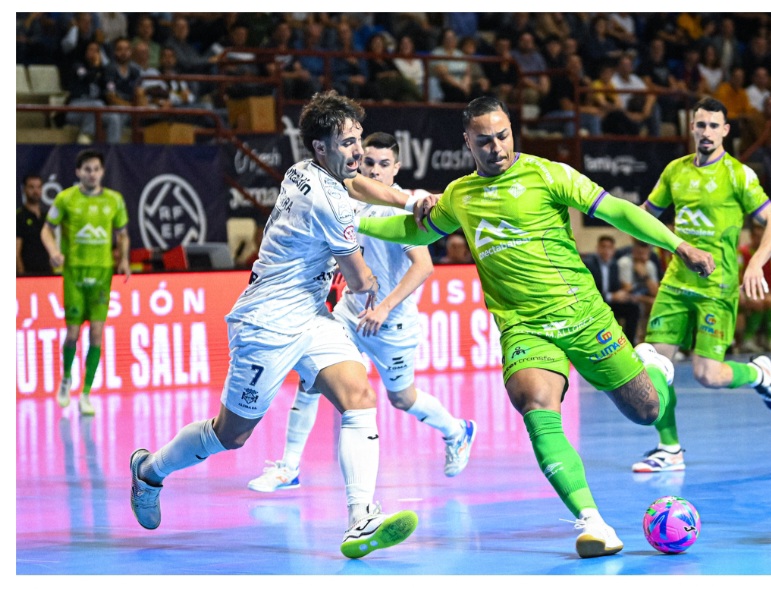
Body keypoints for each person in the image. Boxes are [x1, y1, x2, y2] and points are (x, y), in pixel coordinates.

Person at [356, 96, 716, 558]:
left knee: (647, 411)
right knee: (535, 404)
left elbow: (617, 211)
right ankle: (593, 522)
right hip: (524, 328)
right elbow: (414, 232)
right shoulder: (461, 196)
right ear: (467, 142)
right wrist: (354, 223)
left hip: (584, 316)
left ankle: (653, 367)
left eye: (502, 135)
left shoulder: (548, 174)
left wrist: (677, 244)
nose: (496, 147)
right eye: (484, 140)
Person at [128, 91, 426, 560]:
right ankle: (150, 470)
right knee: (231, 434)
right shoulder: (329, 204)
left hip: (311, 314)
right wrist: (389, 261)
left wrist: (412, 199)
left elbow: (362, 186)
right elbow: (359, 281)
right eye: (347, 143)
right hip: (266, 323)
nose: (356, 152)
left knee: (358, 396)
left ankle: (360, 519)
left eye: (358, 140)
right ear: (321, 147)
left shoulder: (302, 170)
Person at [247, 131, 476, 493]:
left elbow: (424, 267)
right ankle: (288, 467)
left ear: (396, 168)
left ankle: (457, 430)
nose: (374, 170)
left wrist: (383, 309)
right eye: (368, 162)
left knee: (401, 398)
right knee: (310, 379)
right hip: (350, 314)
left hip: (391, 324)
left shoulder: (400, 207)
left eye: (384, 164)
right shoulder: (348, 199)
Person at [631, 96, 771, 475]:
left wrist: (756, 263)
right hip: (675, 284)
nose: (706, 132)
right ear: (692, 128)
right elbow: (646, 215)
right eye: (700, 124)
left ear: (725, 131)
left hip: (717, 289)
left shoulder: (738, 175)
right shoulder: (675, 172)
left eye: (714, 125)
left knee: (708, 375)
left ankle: (759, 375)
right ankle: (670, 449)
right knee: (655, 366)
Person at [40, 149, 131, 416]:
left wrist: (124, 259)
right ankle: (66, 378)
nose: (92, 174)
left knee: (97, 333)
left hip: (102, 274)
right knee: (73, 333)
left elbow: (123, 234)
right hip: (74, 274)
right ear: (78, 172)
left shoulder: (114, 200)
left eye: (96, 169)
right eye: (87, 169)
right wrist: (53, 252)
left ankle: (86, 394)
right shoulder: (65, 199)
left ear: (102, 172)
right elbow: (46, 229)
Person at [583, 234, 640, 346]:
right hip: (594, 304)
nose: (606, 251)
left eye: (609, 247)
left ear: (613, 250)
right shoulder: (589, 264)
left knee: (633, 308)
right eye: (603, 247)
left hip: (610, 303)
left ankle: (629, 344)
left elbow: (615, 288)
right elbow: (588, 291)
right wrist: (611, 296)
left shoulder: (614, 265)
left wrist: (623, 295)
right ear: (597, 248)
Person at [737, 222, 771, 353]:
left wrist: (768, 292)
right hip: (744, 290)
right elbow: (738, 275)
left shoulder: (769, 254)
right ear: (751, 236)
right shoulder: (742, 253)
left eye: (763, 236)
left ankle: (769, 339)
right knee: (757, 303)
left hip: (761, 291)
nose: (760, 239)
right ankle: (747, 340)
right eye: (757, 236)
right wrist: (745, 294)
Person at [616, 239, 660, 343]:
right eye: (640, 253)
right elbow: (626, 289)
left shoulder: (650, 265)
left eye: (645, 254)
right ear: (634, 252)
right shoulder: (625, 263)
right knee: (638, 305)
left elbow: (655, 292)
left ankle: (653, 339)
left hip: (641, 297)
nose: (643, 257)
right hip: (625, 297)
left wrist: (645, 276)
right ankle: (634, 341)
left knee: (657, 303)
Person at [16, 174, 53, 276]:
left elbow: (51, 247)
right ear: (24, 189)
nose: (35, 191)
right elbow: (16, 251)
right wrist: (21, 275)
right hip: (28, 274)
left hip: (47, 273)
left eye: (38, 187)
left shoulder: (46, 217)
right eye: (31, 187)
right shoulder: (18, 217)